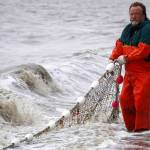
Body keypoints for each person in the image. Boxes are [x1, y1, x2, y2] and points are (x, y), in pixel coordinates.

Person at [107, 2, 150, 132]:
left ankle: (143, 131)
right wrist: (111, 59)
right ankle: (131, 132)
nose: (133, 17)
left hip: (145, 72)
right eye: (131, 14)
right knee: (124, 100)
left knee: (141, 101)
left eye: (137, 14)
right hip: (129, 74)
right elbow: (119, 46)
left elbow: (144, 50)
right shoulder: (127, 29)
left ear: (143, 15)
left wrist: (126, 58)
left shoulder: (148, 28)